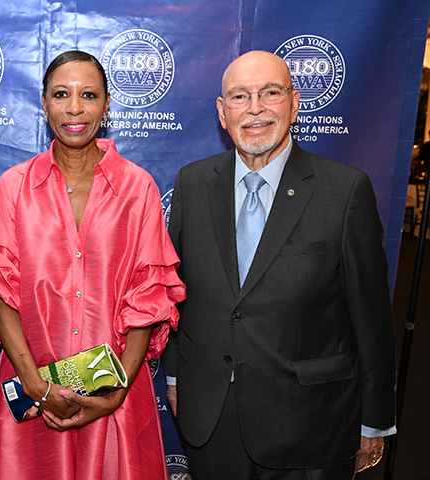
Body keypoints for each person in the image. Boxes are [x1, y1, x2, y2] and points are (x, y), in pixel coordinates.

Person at [163, 50, 397, 480]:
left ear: (294, 103)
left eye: (270, 93)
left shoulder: (345, 190)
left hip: (309, 424)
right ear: (222, 112)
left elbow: (372, 319)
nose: (255, 108)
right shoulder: (192, 182)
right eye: (240, 96)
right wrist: (176, 377)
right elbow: (179, 294)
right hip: (211, 417)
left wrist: (375, 419)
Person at [0, 50, 186, 480]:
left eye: (88, 95)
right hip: (33, 394)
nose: (74, 108)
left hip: (114, 395)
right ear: (44, 103)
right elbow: (0, 292)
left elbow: (148, 296)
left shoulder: (138, 188)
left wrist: (117, 389)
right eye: (61, 94)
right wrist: (36, 385)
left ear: (106, 106)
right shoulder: (13, 187)